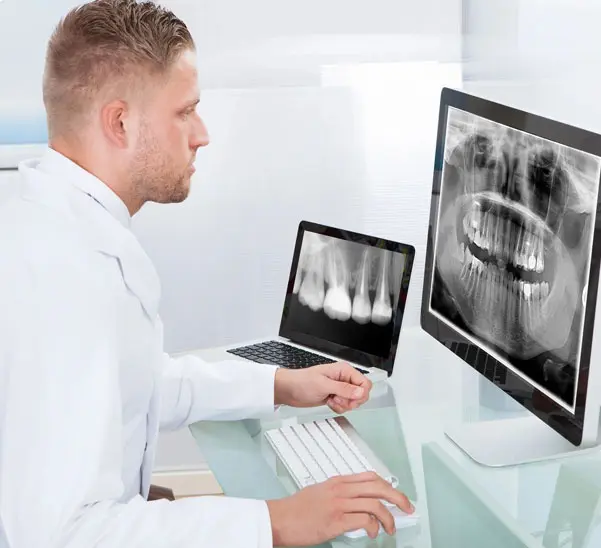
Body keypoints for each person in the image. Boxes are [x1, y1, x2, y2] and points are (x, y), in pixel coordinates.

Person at [0, 1, 414, 547]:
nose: (202, 133)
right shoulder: (64, 277)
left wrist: (281, 385)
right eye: (184, 111)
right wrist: (278, 522)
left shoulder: (55, 221)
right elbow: (65, 535)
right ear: (120, 122)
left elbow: (138, 385)